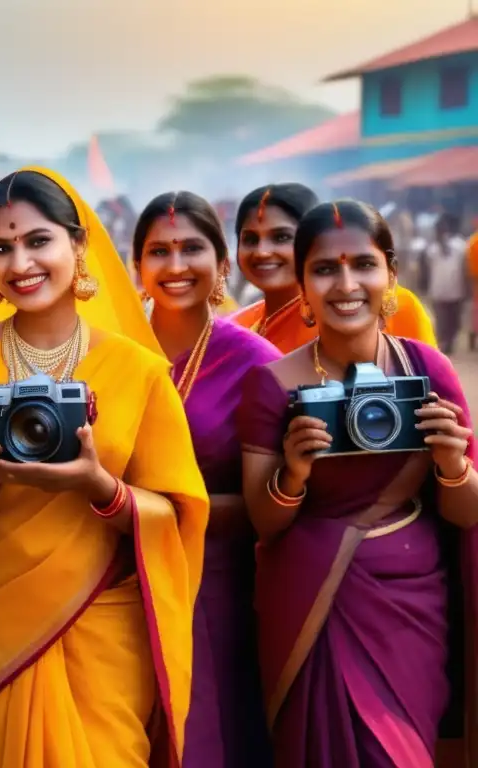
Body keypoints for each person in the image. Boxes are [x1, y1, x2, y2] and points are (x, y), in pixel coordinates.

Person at [0, 167, 209, 767]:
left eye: (38, 240)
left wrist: (99, 487)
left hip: (101, 624)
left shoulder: (137, 370)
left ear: (77, 246)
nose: (20, 261)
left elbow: (177, 515)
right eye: (0, 248)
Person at [237, 199, 478, 767]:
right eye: (324, 268)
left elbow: (467, 515)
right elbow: (263, 522)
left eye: (363, 265)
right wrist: (292, 473)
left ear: (390, 274)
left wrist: (452, 463)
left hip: (410, 602)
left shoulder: (426, 370)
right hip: (308, 603)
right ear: (302, 283)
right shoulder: (272, 384)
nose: (346, 284)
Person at [132, 191, 279, 768]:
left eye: (191, 248)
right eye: (158, 251)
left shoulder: (257, 361)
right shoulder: (109, 352)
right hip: (119, 579)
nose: (174, 266)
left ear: (221, 264)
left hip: (214, 586)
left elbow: (270, 499)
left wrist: (145, 509)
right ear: (137, 267)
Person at [230, 184, 436, 351]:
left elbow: (434, 393)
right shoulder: (238, 326)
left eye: (281, 237)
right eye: (250, 239)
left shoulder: (391, 307)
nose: (261, 252)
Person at [426, 212, 469, 355]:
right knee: (442, 321)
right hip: (439, 290)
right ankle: (444, 344)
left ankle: (448, 341)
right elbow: (427, 270)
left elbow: (465, 269)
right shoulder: (432, 249)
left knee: (454, 321)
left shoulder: (461, 246)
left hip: (456, 290)